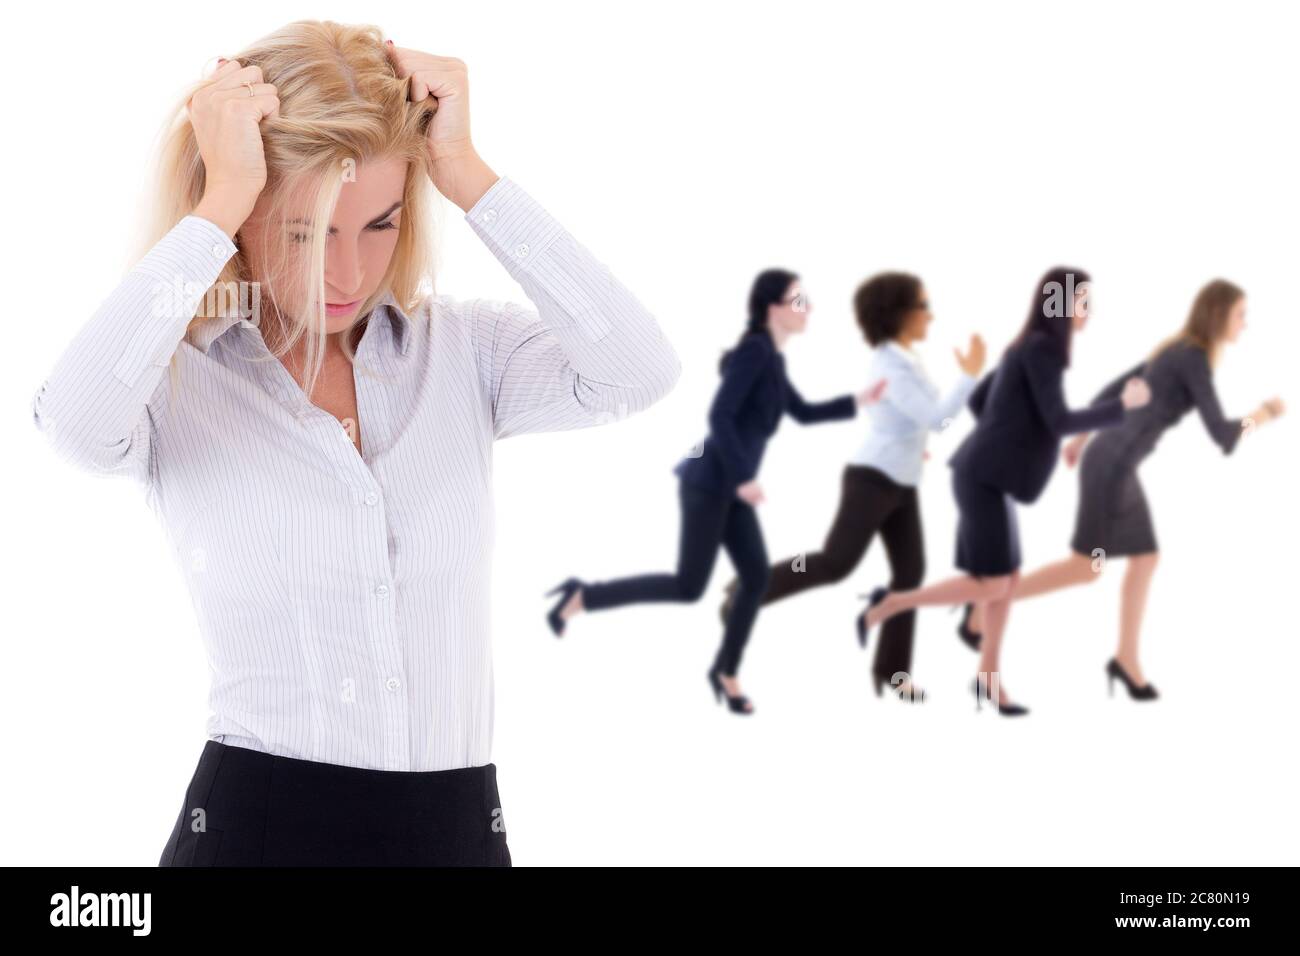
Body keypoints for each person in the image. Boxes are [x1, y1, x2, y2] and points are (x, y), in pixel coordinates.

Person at [31, 20, 681, 865]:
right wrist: (218, 199)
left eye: (379, 224)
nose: (347, 274)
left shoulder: (466, 355)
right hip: (258, 829)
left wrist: (468, 175)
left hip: (459, 829)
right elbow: (72, 426)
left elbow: (637, 371)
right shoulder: (176, 379)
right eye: (304, 232)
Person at [545, 270, 884, 715]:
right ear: (773, 308)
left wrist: (859, 401)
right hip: (709, 483)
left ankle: (725, 671)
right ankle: (582, 597)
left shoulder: (773, 361)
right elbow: (721, 415)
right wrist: (744, 476)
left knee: (757, 577)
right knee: (689, 586)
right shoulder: (754, 352)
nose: (808, 308)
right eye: (798, 300)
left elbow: (800, 412)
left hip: (730, 488)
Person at [959, 279, 1284, 699]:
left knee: (1145, 559)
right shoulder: (1194, 358)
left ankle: (1126, 660)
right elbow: (1223, 434)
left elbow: (1116, 388)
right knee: (1086, 569)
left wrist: (1080, 439)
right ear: (1219, 314)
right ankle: (984, 605)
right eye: (1241, 314)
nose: (1245, 324)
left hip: (1117, 466)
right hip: (1111, 469)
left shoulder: (1176, 348)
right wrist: (1264, 414)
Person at [856, 267, 1150, 715]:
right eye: (1083, 300)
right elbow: (1058, 421)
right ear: (1062, 304)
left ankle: (988, 679)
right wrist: (1120, 407)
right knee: (993, 583)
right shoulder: (1044, 351)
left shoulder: (1026, 346)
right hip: (983, 479)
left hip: (989, 477)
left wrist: (1008, 438)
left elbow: (980, 404)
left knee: (1008, 582)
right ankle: (891, 603)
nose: (1088, 309)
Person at [718, 271, 985, 702]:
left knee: (909, 574)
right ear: (898, 314)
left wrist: (913, 443)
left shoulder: (904, 359)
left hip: (901, 480)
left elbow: (911, 420)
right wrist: (969, 377)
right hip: (872, 480)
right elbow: (938, 419)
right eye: (923, 306)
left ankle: (892, 672)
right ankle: (757, 584)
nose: (930, 315)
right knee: (833, 562)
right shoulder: (889, 365)